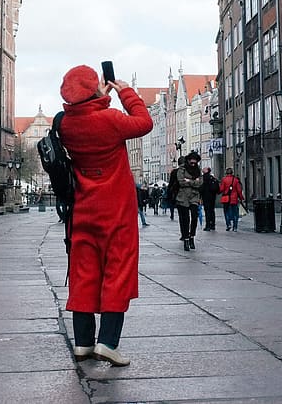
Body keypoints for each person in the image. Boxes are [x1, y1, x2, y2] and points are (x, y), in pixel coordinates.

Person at [57, 65, 152, 367]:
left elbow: (84, 113)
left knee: (84, 274)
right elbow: (144, 122)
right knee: (117, 272)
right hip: (116, 210)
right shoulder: (110, 120)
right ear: (92, 89)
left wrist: (96, 97)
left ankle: (83, 343)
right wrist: (124, 92)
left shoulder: (65, 125)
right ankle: (108, 343)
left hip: (84, 209)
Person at [175, 151, 203, 250]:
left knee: (195, 217)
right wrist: (194, 181)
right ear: (188, 161)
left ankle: (192, 236)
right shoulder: (182, 169)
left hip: (194, 196)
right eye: (192, 162)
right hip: (183, 197)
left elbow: (200, 183)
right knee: (186, 219)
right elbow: (181, 182)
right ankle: (186, 239)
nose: (193, 164)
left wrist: (189, 181)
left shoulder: (198, 170)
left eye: (195, 163)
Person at [219, 167, 244, 232]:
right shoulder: (235, 180)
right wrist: (241, 198)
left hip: (226, 199)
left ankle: (228, 224)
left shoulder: (224, 180)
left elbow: (221, 189)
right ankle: (235, 227)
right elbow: (239, 190)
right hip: (234, 199)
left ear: (226, 173)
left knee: (226, 212)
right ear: (232, 173)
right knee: (235, 213)